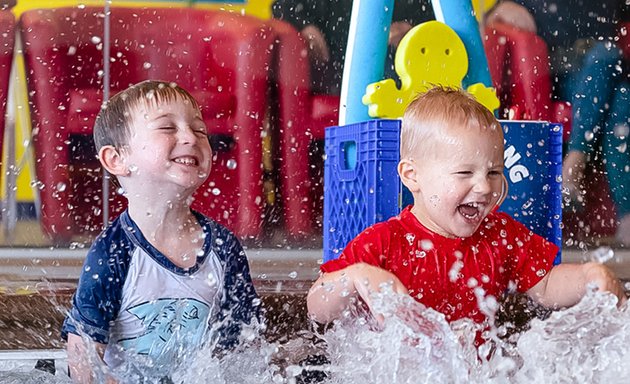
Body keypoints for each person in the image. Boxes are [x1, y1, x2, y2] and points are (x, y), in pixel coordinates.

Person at [307, 87, 626, 342]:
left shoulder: (501, 234)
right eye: (464, 172)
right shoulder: (384, 243)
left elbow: (545, 286)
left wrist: (588, 277)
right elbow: (317, 307)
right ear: (412, 175)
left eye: (493, 172)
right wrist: (358, 276)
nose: (484, 187)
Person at [61, 80, 261, 382]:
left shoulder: (222, 246)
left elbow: (247, 351)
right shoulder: (114, 252)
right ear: (117, 159)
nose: (189, 138)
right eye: (168, 128)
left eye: (199, 130)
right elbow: (83, 358)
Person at [485, 0, 630, 245]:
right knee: (609, 59)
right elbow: (482, 24)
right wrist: (496, 12)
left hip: (604, 75)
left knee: (623, 95)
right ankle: (621, 208)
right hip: (554, 76)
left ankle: (575, 166)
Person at [272, 0, 435, 94]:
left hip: (398, 71)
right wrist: (306, 27)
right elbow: (282, 6)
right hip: (337, 70)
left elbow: (441, 15)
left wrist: (412, 29)